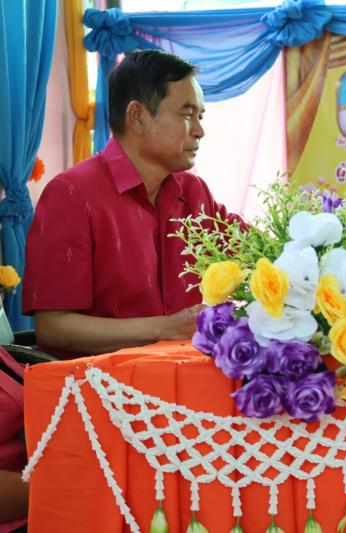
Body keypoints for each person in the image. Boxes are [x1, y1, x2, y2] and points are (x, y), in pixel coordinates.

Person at [23, 50, 243, 359]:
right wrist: (164, 328)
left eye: (200, 116)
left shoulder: (194, 192)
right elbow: (53, 328)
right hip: (103, 381)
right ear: (137, 116)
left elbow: (255, 254)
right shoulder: (71, 194)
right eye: (186, 114)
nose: (199, 130)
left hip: (186, 372)